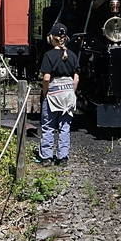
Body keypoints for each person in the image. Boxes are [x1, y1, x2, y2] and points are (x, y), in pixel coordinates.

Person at [38, 23, 79, 166]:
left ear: (51, 38)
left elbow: (46, 78)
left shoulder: (48, 56)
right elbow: (76, 78)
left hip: (53, 94)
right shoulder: (72, 55)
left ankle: (46, 157)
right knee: (65, 127)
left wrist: (45, 93)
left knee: (48, 126)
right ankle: (63, 158)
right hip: (68, 95)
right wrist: (71, 93)